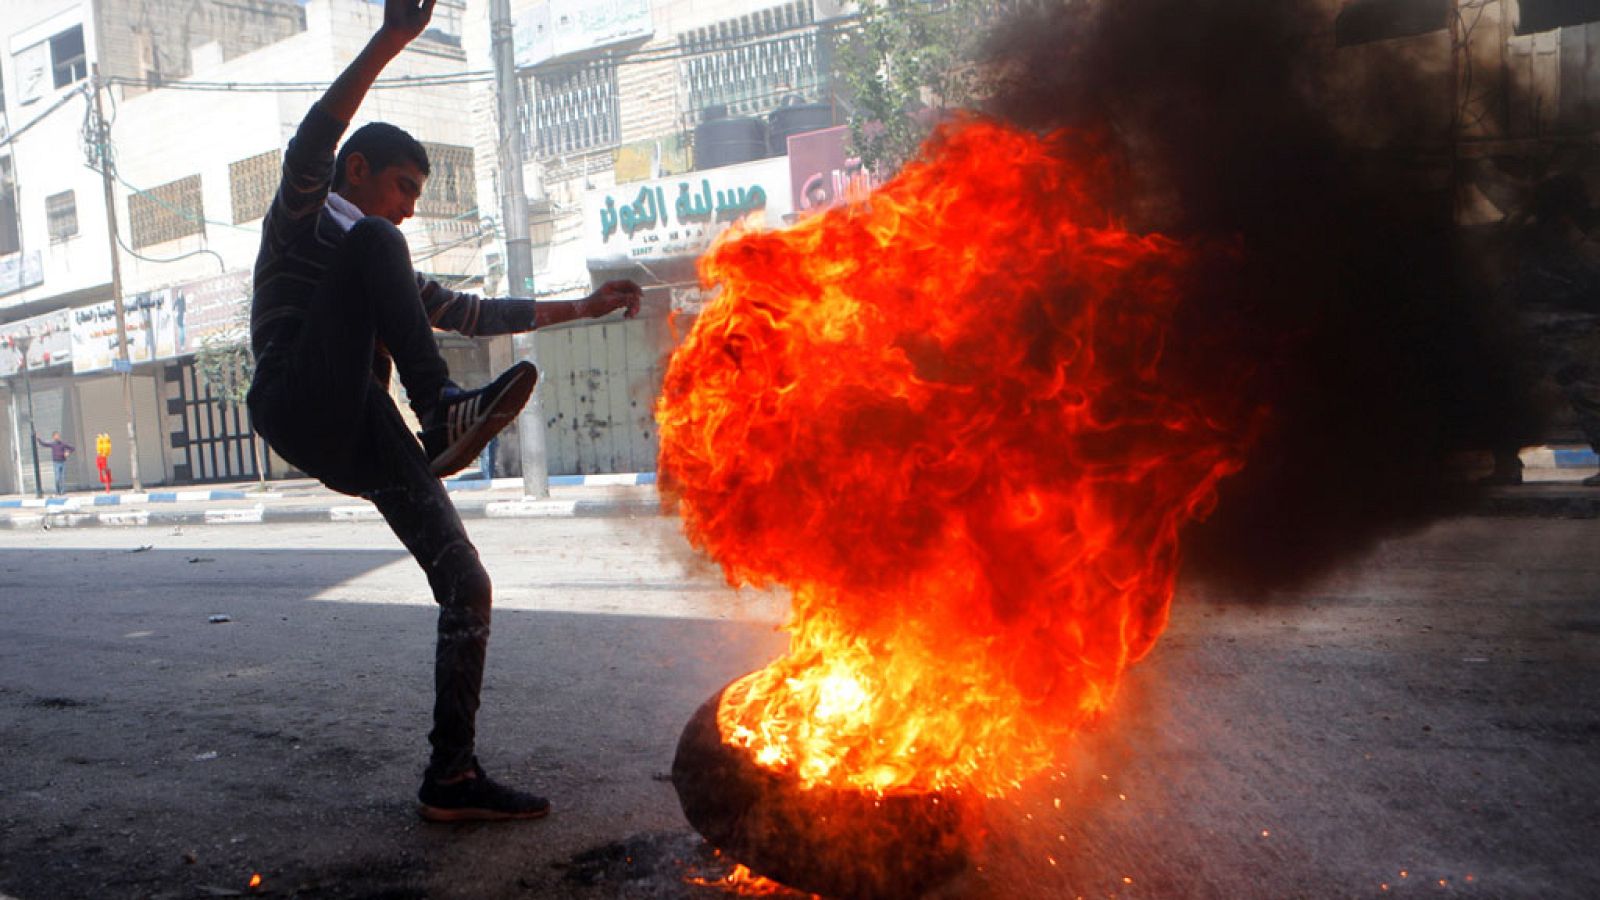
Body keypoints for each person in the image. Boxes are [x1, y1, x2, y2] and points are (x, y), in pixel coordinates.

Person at [245, 0, 641, 823]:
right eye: (403, 187)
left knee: (468, 584)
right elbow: (311, 141)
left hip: (363, 428)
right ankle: (444, 412)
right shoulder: (305, 218)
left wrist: (586, 307)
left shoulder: (378, 255)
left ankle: (451, 776)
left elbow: (470, 312)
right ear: (358, 171)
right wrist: (394, 37)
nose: (410, 208)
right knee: (378, 248)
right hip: (294, 398)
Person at [35, 431, 73, 495]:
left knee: (62, 478)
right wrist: (38, 439)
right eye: (56, 436)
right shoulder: (53, 444)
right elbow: (44, 444)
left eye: (58, 435)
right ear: (53, 437)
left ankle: (62, 491)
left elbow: (72, 448)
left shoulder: (63, 444)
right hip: (56, 462)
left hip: (62, 462)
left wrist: (68, 452)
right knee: (57, 478)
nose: (57, 437)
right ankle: (58, 491)